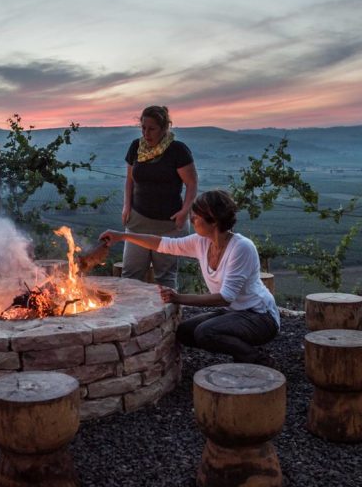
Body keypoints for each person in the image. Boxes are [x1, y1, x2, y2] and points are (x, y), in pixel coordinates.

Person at [101, 189, 279, 366]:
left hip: (259, 316)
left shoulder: (241, 248)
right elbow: (164, 244)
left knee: (206, 332)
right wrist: (122, 236)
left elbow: (225, 298)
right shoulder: (202, 241)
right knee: (185, 332)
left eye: (196, 216)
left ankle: (256, 359)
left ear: (213, 220)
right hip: (234, 312)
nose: (191, 219)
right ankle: (239, 346)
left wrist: (178, 298)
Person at [121, 105, 197, 288]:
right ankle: (129, 316)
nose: (146, 133)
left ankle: (169, 315)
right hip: (138, 222)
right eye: (143, 128)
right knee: (130, 274)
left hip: (168, 225)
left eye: (152, 129)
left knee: (165, 277)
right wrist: (126, 206)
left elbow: (192, 183)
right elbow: (130, 180)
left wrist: (185, 211)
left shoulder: (177, 150)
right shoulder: (136, 147)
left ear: (164, 128)